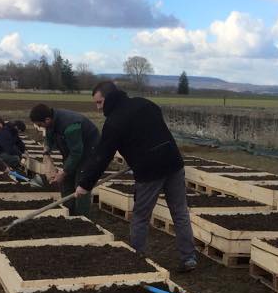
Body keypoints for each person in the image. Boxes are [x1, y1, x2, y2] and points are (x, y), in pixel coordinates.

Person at [76, 81, 197, 273]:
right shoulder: (145, 103)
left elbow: (102, 156)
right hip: (173, 162)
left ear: (109, 98)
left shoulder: (114, 122)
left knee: (140, 216)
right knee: (180, 212)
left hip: (150, 171)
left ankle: (135, 260)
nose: (98, 108)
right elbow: (153, 132)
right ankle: (189, 257)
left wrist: (85, 184)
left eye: (99, 103)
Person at [29, 104, 101, 217]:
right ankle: (68, 214)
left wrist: (64, 171)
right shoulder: (50, 122)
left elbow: (77, 153)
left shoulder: (71, 126)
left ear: (47, 119)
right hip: (72, 152)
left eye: (40, 124)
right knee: (66, 182)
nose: (40, 127)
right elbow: (49, 136)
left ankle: (82, 219)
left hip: (89, 154)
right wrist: (47, 149)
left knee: (81, 185)